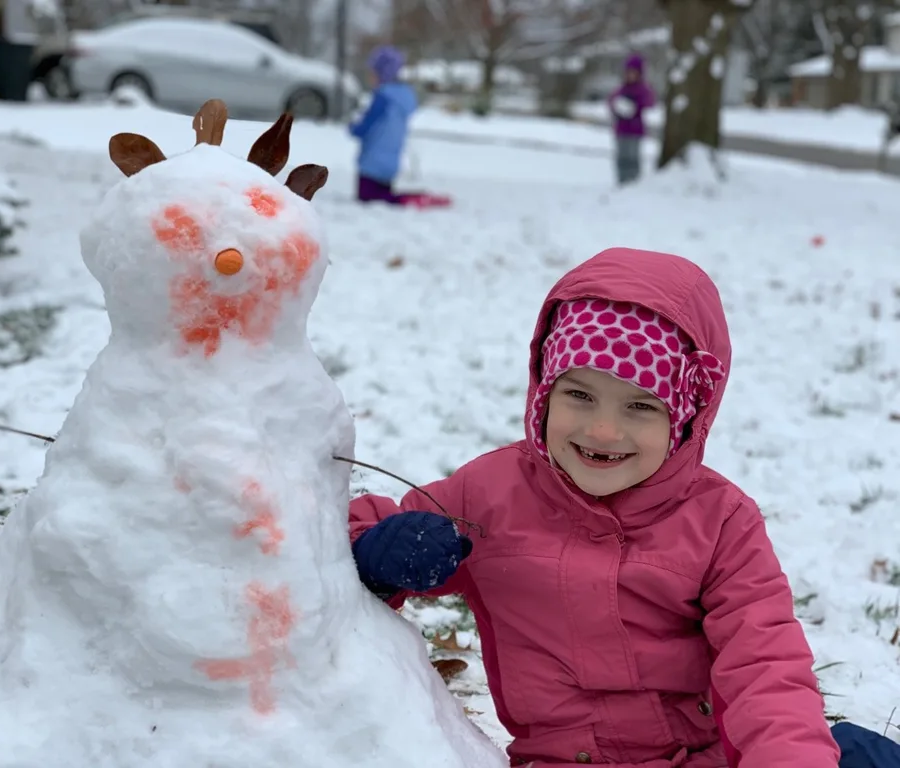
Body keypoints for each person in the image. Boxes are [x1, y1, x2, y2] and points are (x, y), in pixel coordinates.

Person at [348, 246, 900, 767]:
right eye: (579, 395)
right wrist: (377, 552)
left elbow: (765, 666)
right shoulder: (489, 494)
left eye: (640, 406)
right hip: (565, 761)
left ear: (685, 415)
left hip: (708, 757)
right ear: (543, 391)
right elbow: (337, 542)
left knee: (855, 752)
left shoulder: (720, 522)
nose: (604, 429)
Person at [348, 45, 421, 205]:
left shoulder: (383, 98)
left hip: (372, 163)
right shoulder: (402, 98)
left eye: (373, 72)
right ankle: (406, 200)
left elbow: (367, 125)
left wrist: (353, 128)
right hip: (391, 163)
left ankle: (409, 200)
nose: (370, 76)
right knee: (383, 197)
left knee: (369, 199)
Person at [608, 54, 655, 185]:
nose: (630, 75)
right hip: (621, 129)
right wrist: (616, 106)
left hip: (635, 130)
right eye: (628, 72)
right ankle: (621, 181)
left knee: (632, 157)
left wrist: (635, 106)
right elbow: (611, 100)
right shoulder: (621, 89)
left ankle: (633, 182)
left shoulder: (642, 90)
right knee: (621, 157)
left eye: (633, 73)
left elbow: (649, 102)